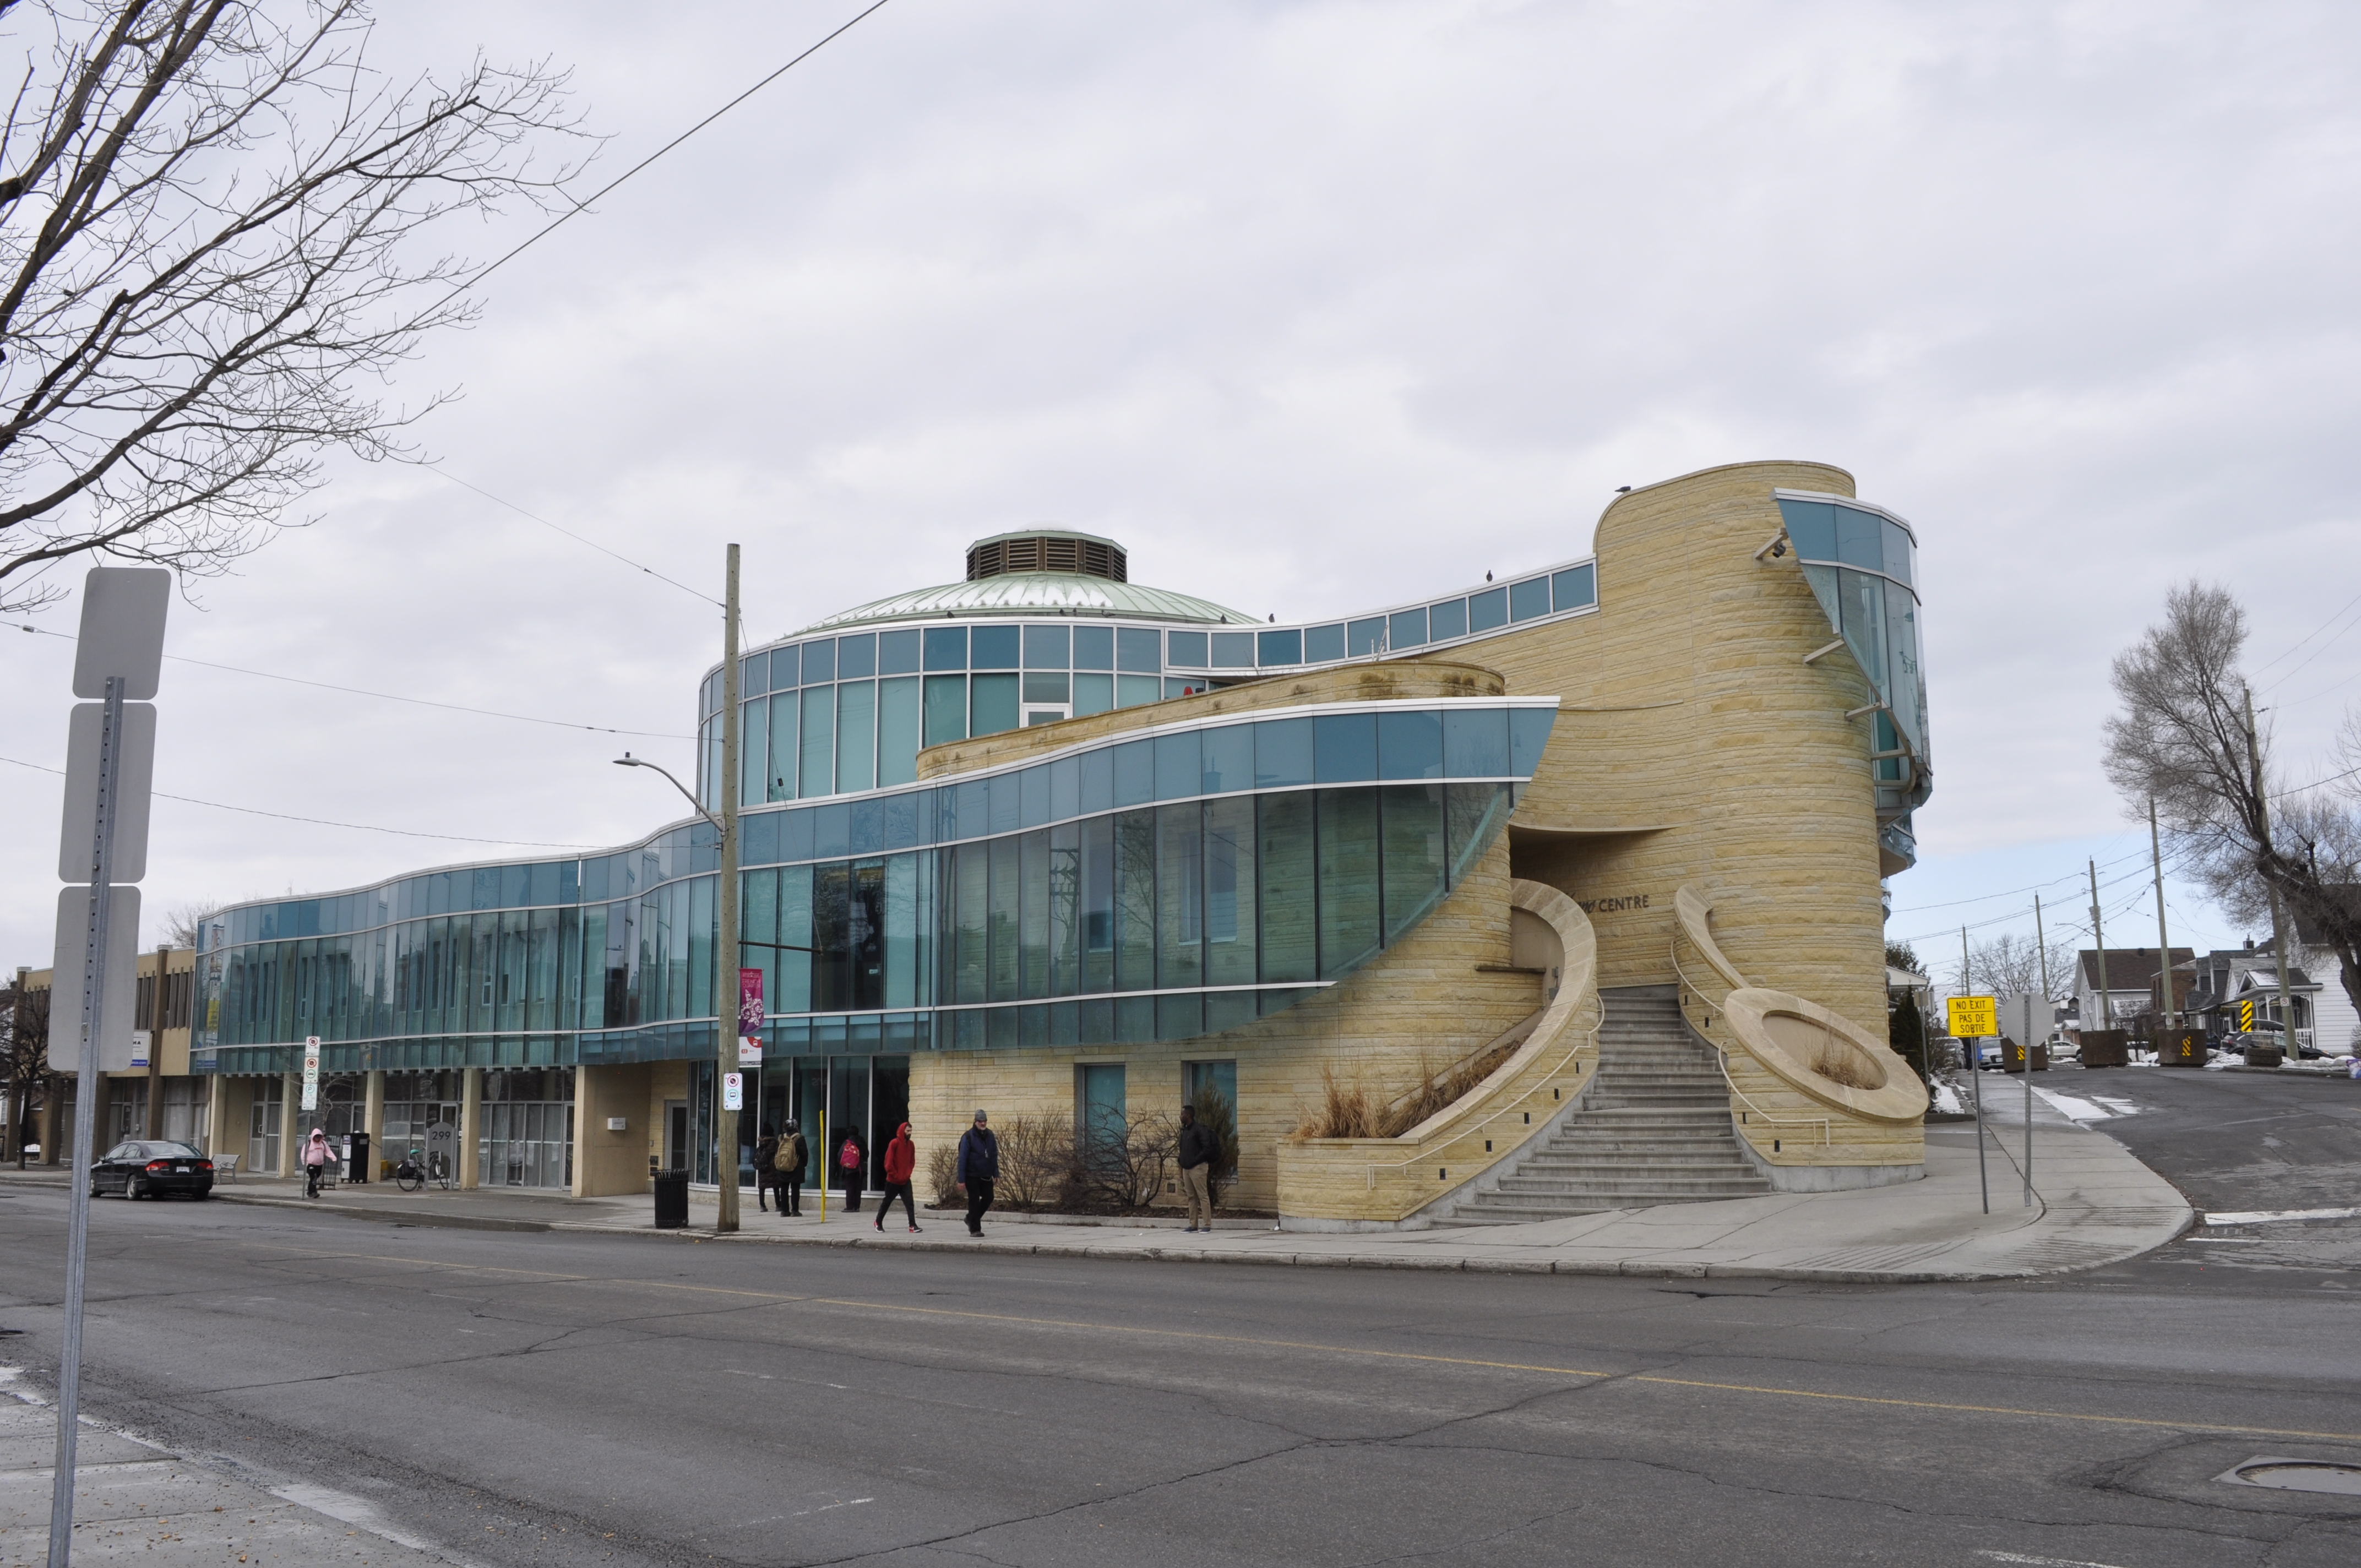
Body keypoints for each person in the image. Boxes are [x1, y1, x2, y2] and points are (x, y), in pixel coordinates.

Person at [956, 1109, 998, 1237]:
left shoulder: (990, 1136)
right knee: (974, 1201)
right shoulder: (968, 1137)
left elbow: (994, 1156)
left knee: (989, 1197)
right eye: (980, 1121)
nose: (983, 1123)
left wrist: (996, 1174)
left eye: (984, 1121)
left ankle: (971, 1218)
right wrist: (961, 1179)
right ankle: (975, 1229)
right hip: (972, 1175)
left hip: (986, 1174)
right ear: (975, 1122)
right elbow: (962, 1159)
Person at [1177, 1103, 1217, 1233]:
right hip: (1187, 1168)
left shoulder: (1200, 1130)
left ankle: (1207, 1225)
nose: (1180, 1116)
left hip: (1198, 1168)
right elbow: (1182, 1148)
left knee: (1202, 1196)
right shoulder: (1185, 1130)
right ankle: (1193, 1225)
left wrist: (1194, 1161)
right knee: (1191, 1197)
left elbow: (1206, 1149)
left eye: (1182, 1114)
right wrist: (1181, 1161)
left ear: (1188, 1115)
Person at [875, 1122, 921, 1233]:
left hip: (905, 1180)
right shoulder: (894, 1143)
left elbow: (912, 1161)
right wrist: (895, 1175)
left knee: (910, 1202)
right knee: (887, 1202)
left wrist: (907, 1174)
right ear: (902, 1131)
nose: (910, 1133)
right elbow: (888, 1162)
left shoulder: (911, 1145)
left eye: (911, 1131)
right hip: (893, 1180)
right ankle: (878, 1222)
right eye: (908, 1131)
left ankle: (912, 1225)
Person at [776, 1120, 806, 1216]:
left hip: (783, 1166)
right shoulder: (800, 1138)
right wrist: (803, 1164)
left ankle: (784, 1211)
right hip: (796, 1167)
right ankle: (795, 1210)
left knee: (784, 1189)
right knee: (795, 1189)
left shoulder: (782, 1138)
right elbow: (804, 1153)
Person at [837, 1123, 867, 1213]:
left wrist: (843, 1164)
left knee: (850, 1188)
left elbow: (839, 1155)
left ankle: (850, 1207)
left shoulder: (847, 1143)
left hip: (849, 1169)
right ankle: (857, 1207)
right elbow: (867, 1154)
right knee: (858, 1188)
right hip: (860, 1168)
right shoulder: (862, 1142)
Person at [753, 1128, 781, 1212]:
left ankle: (762, 1205)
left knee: (762, 1187)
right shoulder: (774, 1143)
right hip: (772, 1167)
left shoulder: (761, 1143)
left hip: (762, 1167)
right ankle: (778, 1205)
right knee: (775, 1186)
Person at [301, 1128, 333, 1199]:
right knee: (314, 1177)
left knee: (314, 1178)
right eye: (316, 1137)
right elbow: (303, 1154)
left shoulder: (323, 1144)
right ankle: (314, 1192)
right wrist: (305, 1164)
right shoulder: (308, 1144)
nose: (317, 1138)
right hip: (311, 1164)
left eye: (319, 1137)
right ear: (313, 1136)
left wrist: (333, 1158)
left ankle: (310, 1191)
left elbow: (328, 1151)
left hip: (319, 1165)